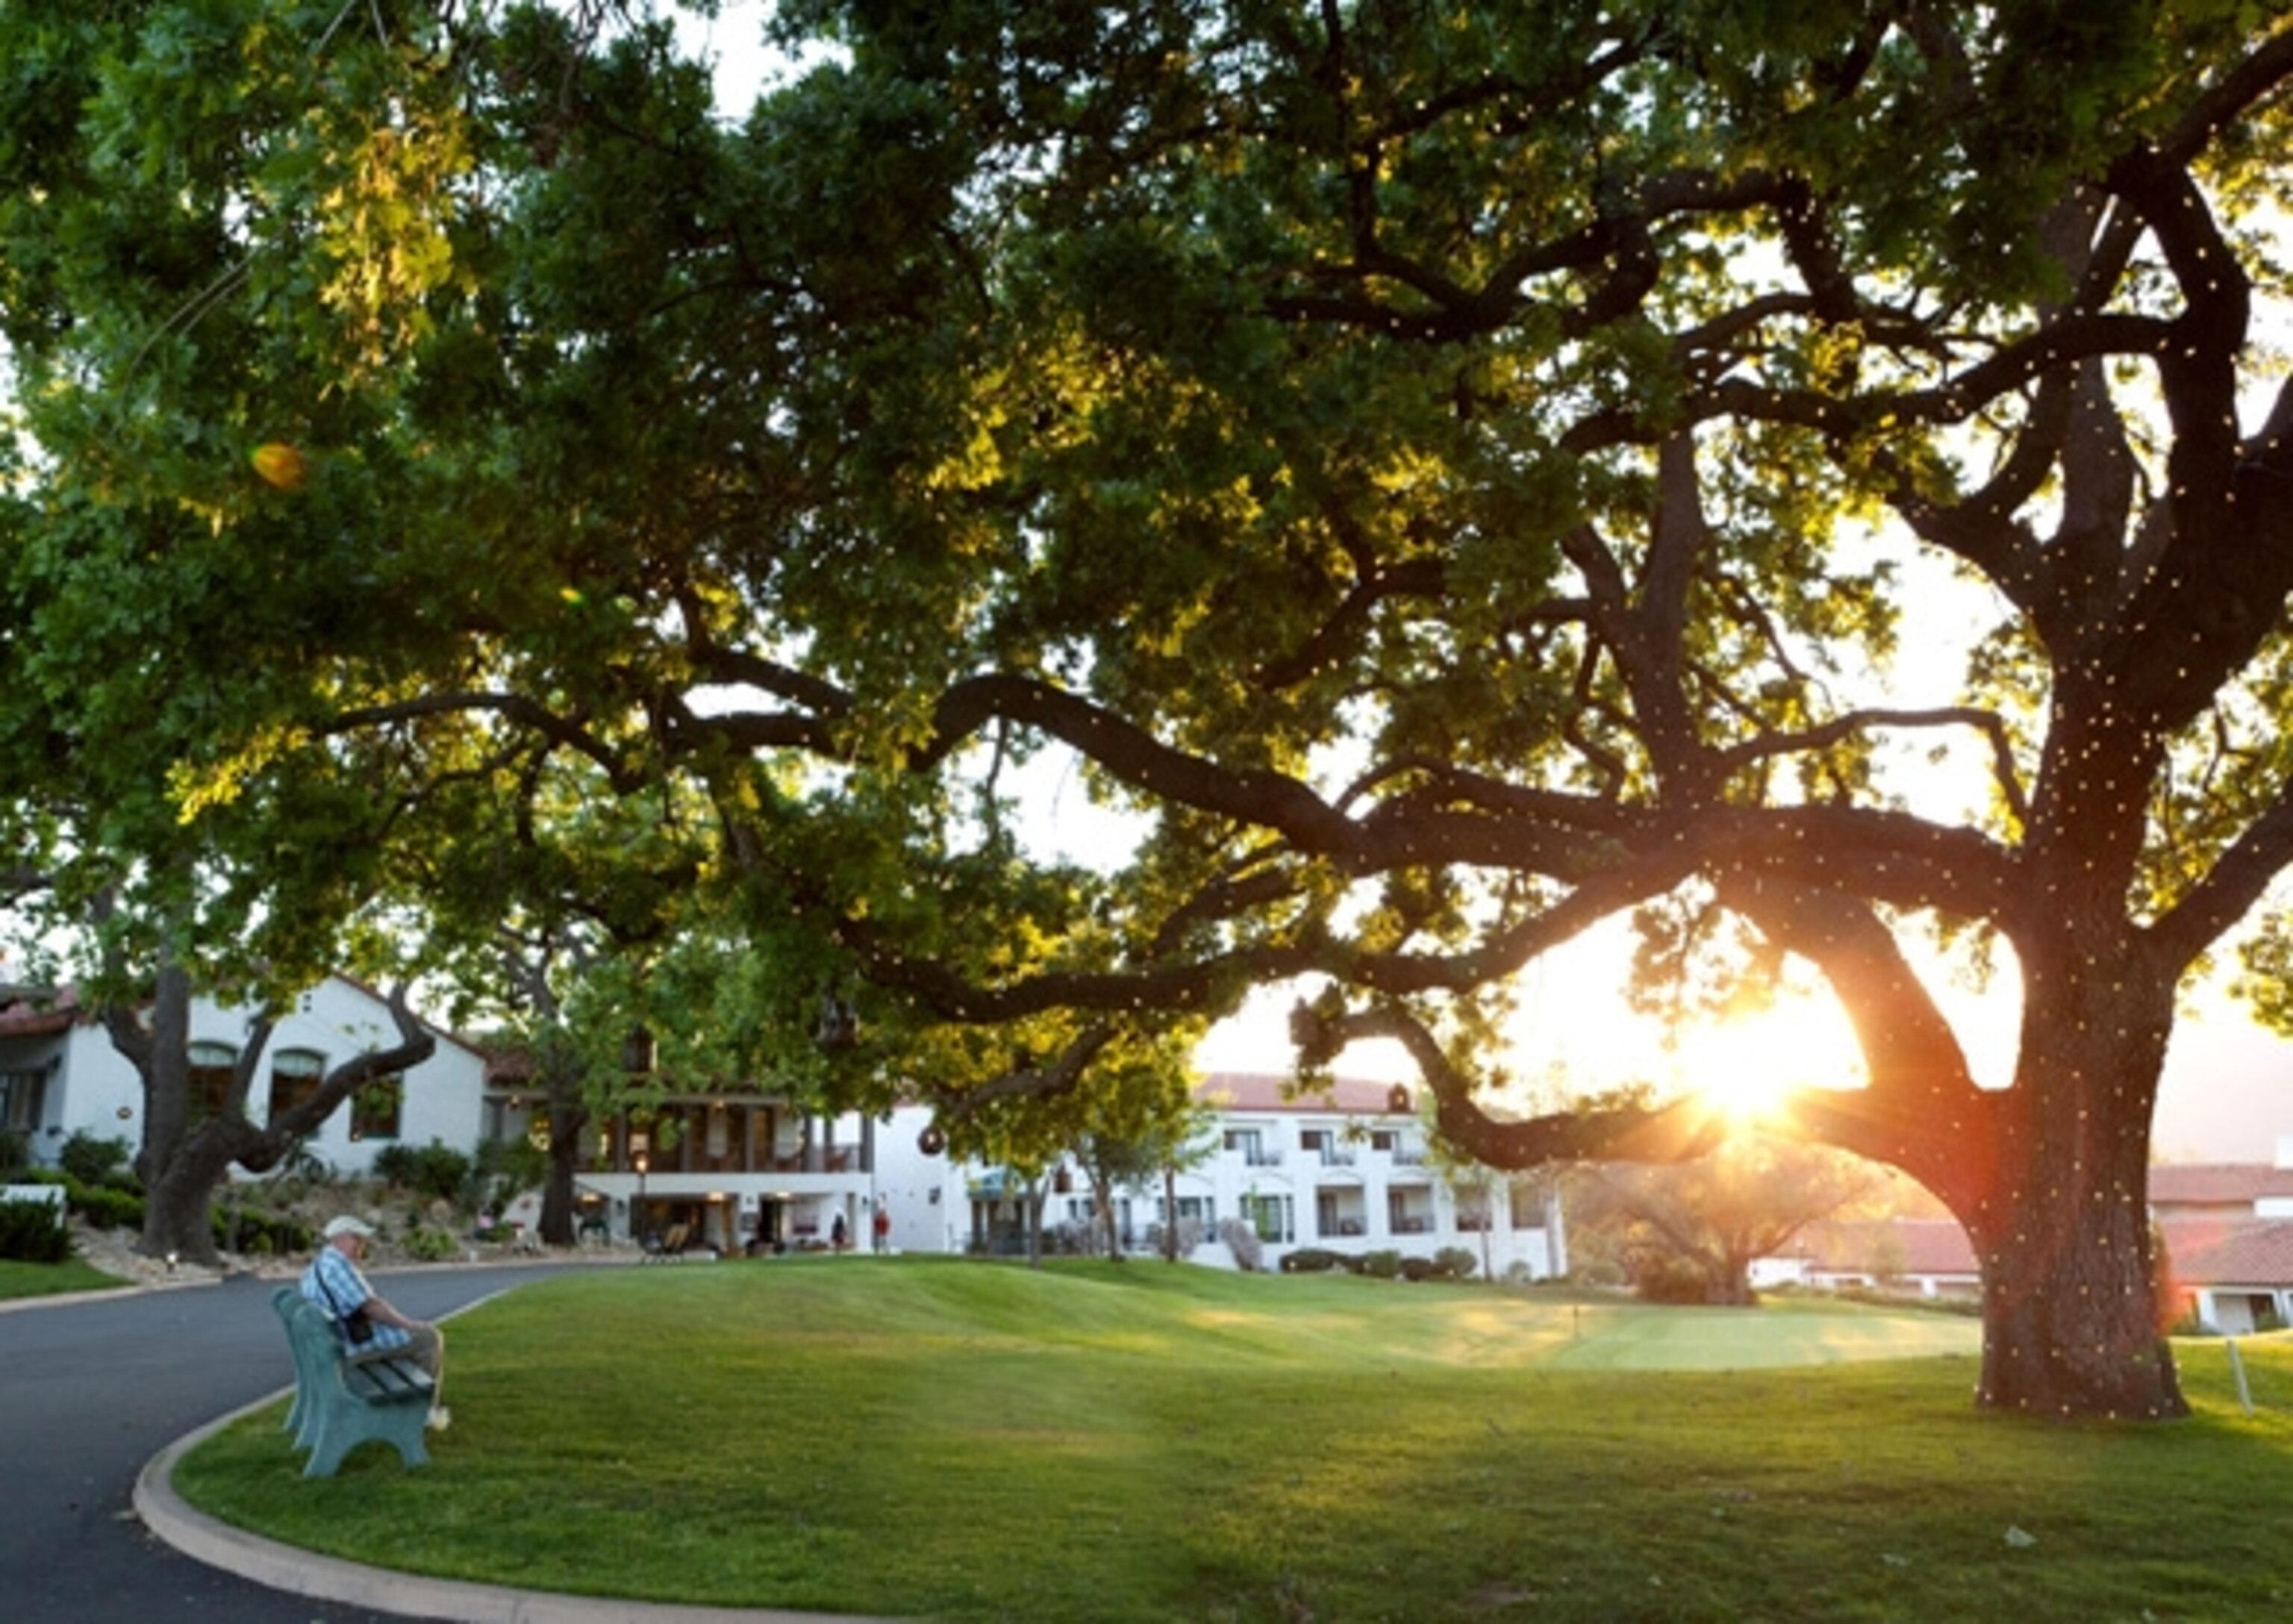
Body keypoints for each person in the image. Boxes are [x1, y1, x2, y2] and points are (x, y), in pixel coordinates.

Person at [302, 1214, 450, 1431]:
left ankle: (410, 1402)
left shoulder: (314, 1268)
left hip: (333, 1345)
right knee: (428, 1338)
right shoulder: (339, 1267)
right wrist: (408, 1324)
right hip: (350, 1349)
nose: (363, 1244)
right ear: (340, 1239)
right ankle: (423, 1410)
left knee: (413, 1336)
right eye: (357, 1238)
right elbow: (371, 1306)